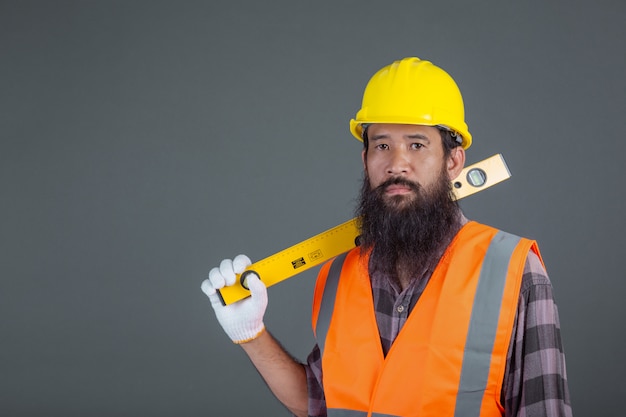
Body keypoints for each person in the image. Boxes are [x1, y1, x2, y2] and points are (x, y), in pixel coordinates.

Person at [201, 57, 572, 417]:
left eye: (417, 144)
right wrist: (251, 334)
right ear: (365, 160)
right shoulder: (336, 278)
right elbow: (316, 404)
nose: (396, 163)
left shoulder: (514, 273)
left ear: (453, 161)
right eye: (382, 145)